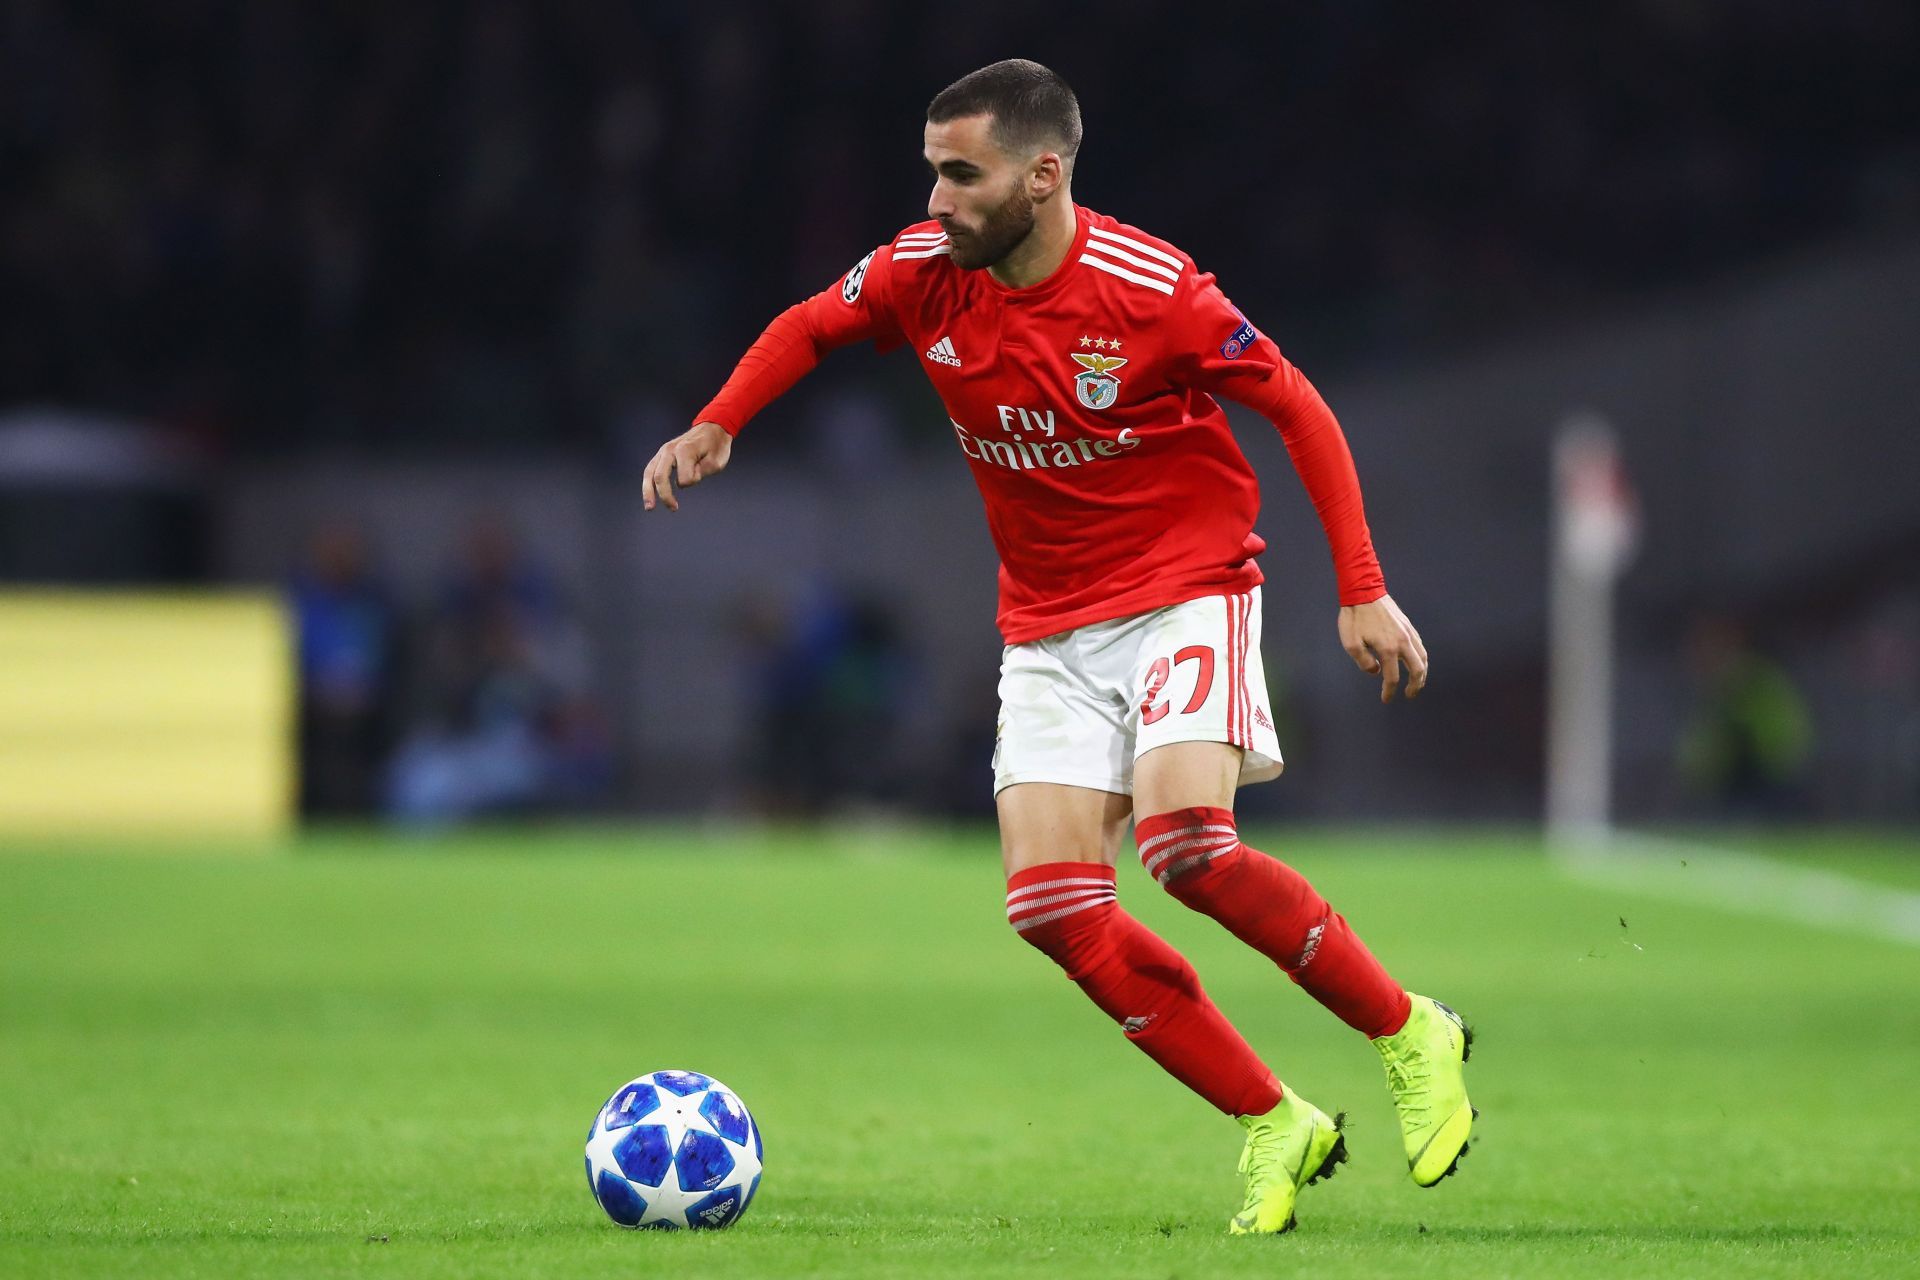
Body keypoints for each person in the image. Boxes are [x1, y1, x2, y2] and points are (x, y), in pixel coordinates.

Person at [642, 59, 1471, 1234]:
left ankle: (1408, 1029)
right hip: (1045, 623)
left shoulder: (1155, 289)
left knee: (1187, 846)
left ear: (1044, 174)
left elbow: (1297, 405)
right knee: (1054, 910)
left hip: (1187, 588)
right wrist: (719, 419)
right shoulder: (923, 272)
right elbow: (809, 323)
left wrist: (1363, 589)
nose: (936, 201)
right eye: (931, 171)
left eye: (961, 174)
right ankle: (1273, 1120)